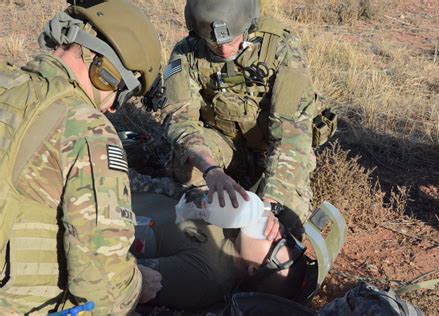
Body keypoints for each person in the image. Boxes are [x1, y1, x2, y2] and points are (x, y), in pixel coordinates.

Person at [0, 0, 162, 314]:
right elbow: (100, 286)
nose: (115, 108)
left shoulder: (7, 83)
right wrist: (138, 285)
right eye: (124, 92)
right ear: (108, 72)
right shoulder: (88, 130)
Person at [154, 0, 336, 238]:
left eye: (231, 40)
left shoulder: (280, 48)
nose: (225, 50)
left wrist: (272, 203)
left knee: (282, 225)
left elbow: (291, 136)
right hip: (225, 146)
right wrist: (211, 170)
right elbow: (179, 118)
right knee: (184, 164)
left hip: (272, 153)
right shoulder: (186, 52)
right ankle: (208, 233)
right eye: (214, 42)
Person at [137, 190, 308, 311]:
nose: (275, 230)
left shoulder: (205, 278)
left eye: (276, 243)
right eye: (285, 235)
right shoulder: (235, 228)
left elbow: (126, 278)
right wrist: (264, 210)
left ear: (254, 270)